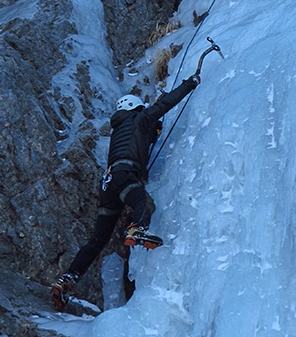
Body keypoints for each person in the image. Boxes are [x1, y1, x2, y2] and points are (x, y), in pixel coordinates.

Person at [51, 74, 200, 309]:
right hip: (124, 176)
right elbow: (163, 106)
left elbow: (147, 134)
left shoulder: (119, 128)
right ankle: (137, 229)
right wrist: (189, 84)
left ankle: (68, 278)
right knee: (144, 204)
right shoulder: (139, 118)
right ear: (136, 108)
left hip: (108, 184)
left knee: (97, 240)